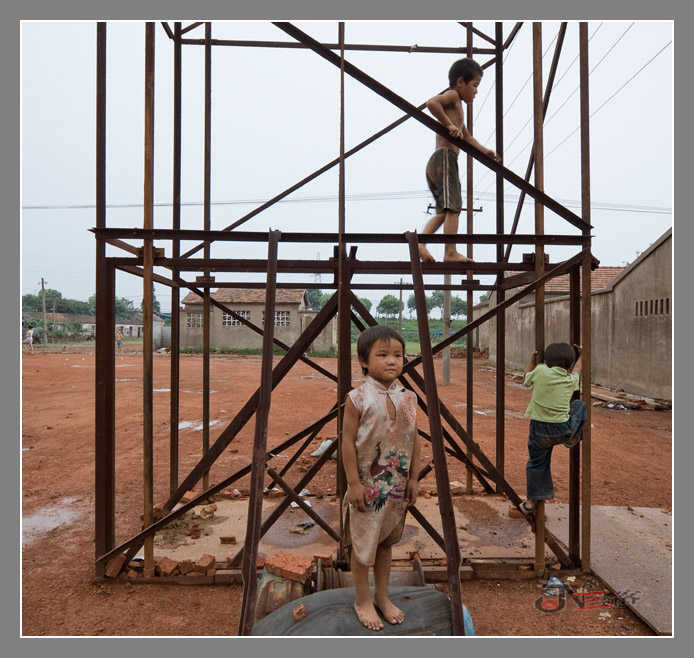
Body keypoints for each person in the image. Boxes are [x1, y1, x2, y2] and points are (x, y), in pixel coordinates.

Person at [342, 325, 421, 631]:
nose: (392, 361)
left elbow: (414, 439)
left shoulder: (409, 398)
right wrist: (353, 483)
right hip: (366, 488)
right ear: (364, 360)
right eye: (383, 354)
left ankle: (382, 597)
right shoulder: (357, 398)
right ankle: (362, 599)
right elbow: (347, 441)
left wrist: (414, 478)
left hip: (397, 487)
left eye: (398, 355)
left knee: (386, 543)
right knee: (363, 547)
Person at [419, 57, 500, 263]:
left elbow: (468, 137)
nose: (476, 91)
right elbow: (431, 103)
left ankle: (420, 243)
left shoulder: (457, 108)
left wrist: (485, 151)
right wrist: (449, 125)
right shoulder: (453, 95)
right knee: (453, 207)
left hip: (440, 160)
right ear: (461, 82)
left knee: (445, 210)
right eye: (475, 85)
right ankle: (450, 252)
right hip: (445, 159)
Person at [519, 343, 587, 515]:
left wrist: (532, 360)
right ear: (570, 365)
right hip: (562, 430)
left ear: (546, 361)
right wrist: (583, 355)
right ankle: (572, 438)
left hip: (539, 430)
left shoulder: (540, 371)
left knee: (536, 464)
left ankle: (531, 502)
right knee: (579, 405)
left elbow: (525, 378)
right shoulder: (570, 379)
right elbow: (578, 369)